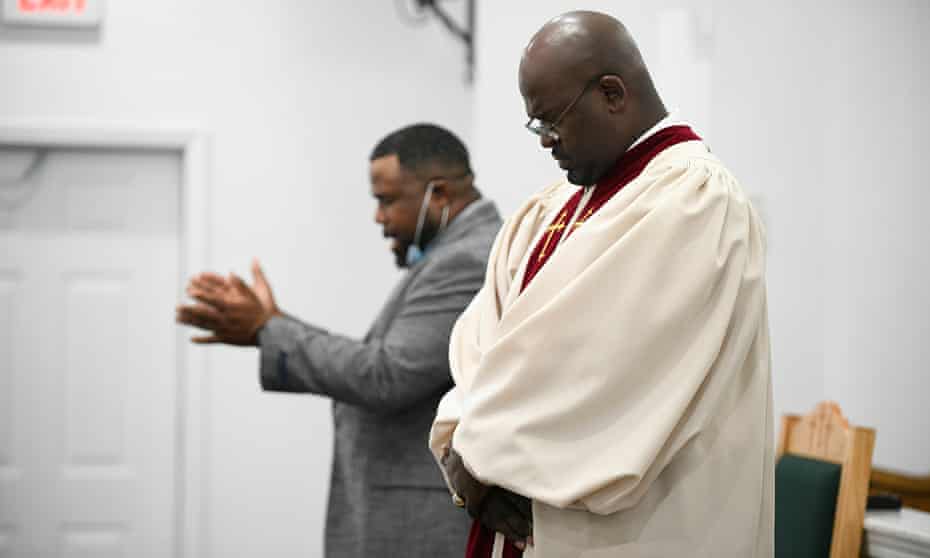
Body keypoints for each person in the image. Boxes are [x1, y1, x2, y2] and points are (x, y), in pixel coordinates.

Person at [430, 11, 774, 558]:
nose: (544, 142)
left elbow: (603, 372)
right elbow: (479, 345)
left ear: (612, 93)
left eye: (551, 121)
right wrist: (463, 449)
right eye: (535, 126)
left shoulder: (696, 203)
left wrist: (479, 455)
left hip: (638, 532)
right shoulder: (554, 208)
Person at [176, 123, 503, 557]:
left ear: (437, 195)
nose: (378, 217)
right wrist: (271, 324)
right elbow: (382, 360)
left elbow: (387, 376)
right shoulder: (459, 253)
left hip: (418, 523)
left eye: (387, 200)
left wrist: (265, 329)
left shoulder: (466, 260)